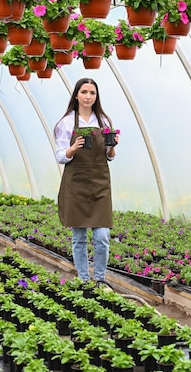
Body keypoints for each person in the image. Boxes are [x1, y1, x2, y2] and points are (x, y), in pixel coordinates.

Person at [54, 77, 120, 286]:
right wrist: (72, 149)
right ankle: (84, 279)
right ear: (76, 95)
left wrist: (112, 146)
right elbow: (60, 155)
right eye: (84, 92)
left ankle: (99, 278)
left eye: (92, 93)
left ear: (96, 96)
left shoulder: (104, 121)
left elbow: (110, 156)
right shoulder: (66, 123)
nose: (88, 96)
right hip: (76, 183)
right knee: (79, 237)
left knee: (102, 237)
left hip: (99, 183)